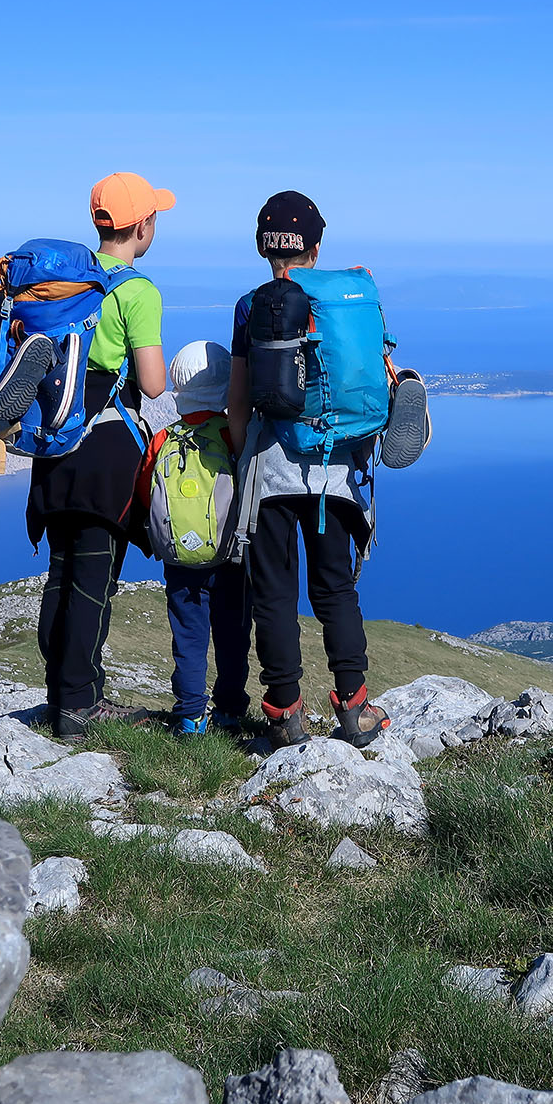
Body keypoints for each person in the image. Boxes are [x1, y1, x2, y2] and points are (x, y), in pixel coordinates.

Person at [227, 191, 395, 748]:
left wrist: (236, 450)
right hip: (337, 470)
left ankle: (284, 715)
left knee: (274, 594)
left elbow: (238, 400)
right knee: (335, 591)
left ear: (262, 248)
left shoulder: (251, 305)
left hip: (270, 470)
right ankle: (355, 707)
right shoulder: (348, 297)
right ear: (317, 247)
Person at [29, 171, 174, 738]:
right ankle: (80, 705)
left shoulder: (67, 283)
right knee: (93, 579)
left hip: (55, 437)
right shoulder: (138, 291)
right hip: (105, 446)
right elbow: (154, 382)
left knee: (60, 574)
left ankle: (60, 693)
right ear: (143, 226)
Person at [142, 341, 252, 736]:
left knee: (188, 635)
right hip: (231, 556)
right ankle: (229, 710)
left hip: (180, 561)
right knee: (233, 634)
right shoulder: (233, 435)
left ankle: (190, 715)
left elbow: (146, 495)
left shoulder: (163, 439)